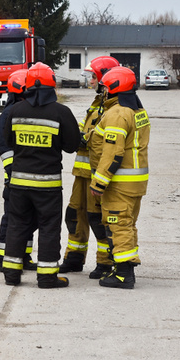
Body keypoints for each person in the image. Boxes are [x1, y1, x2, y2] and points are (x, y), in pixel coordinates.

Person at [1, 63, 80, 288]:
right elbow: (72, 145)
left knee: (17, 224)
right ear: (51, 86)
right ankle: (46, 277)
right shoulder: (61, 113)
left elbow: (8, 141)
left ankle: (11, 274)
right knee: (48, 227)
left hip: (18, 184)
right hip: (48, 186)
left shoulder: (15, 111)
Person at [89, 66, 150, 289]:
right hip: (135, 182)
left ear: (114, 88)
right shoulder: (136, 110)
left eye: (105, 87)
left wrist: (99, 182)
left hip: (119, 183)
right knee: (127, 224)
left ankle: (124, 275)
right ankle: (122, 266)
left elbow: (113, 152)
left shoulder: (117, 113)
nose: (102, 91)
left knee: (118, 225)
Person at [59, 56, 119, 279]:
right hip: (82, 173)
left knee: (98, 218)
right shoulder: (98, 103)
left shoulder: (113, 106)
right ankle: (74, 257)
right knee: (75, 214)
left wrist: (85, 138)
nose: (90, 80)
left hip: (97, 174)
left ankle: (105, 262)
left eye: (93, 76)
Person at [0, 69, 36, 272]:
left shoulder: (23, 110)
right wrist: (12, 171)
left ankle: (24, 255)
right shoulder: (9, 114)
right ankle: (2, 259)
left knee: (28, 218)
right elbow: (4, 147)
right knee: (11, 219)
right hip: (14, 178)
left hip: (27, 176)